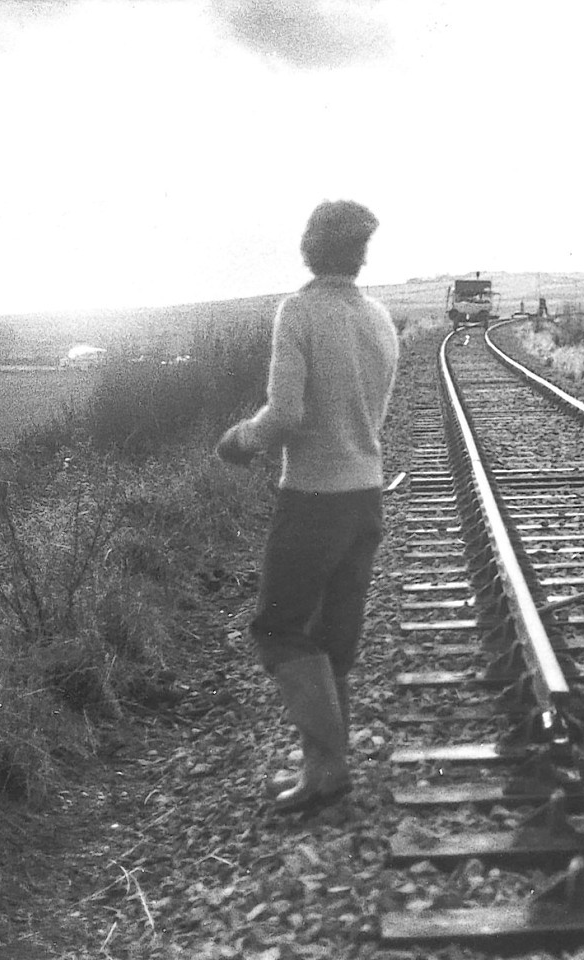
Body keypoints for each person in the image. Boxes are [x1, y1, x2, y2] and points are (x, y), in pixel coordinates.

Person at [216, 199, 400, 812]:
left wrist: (241, 440)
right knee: (334, 638)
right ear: (360, 251)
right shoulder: (378, 318)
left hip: (314, 499)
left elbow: (288, 412)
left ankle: (327, 768)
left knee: (277, 628)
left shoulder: (298, 311)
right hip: (366, 494)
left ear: (310, 246)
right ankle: (324, 765)